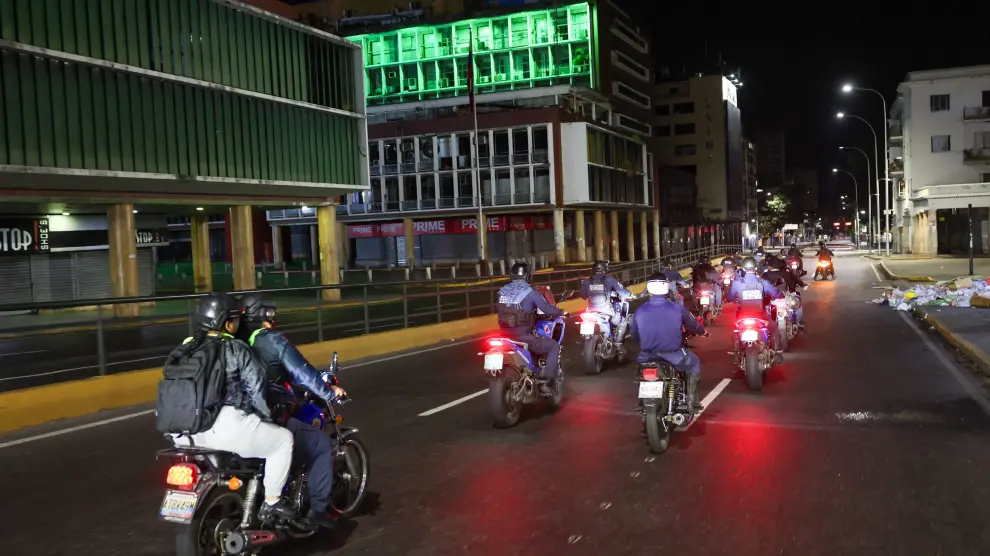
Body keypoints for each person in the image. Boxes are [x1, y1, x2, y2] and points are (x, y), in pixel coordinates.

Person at [164, 293, 297, 521]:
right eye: (235, 320)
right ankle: (272, 502)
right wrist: (267, 417)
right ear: (227, 324)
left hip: (181, 433)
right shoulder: (235, 348)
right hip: (223, 429)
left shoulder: (184, 347)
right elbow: (257, 388)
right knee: (283, 440)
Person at [238, 294, 347, 529]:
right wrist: (328, 392)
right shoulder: (270, 339)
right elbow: (301, 371)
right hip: (265, 416)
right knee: (321, 445)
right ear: (265, 316)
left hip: (230, 418)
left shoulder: (234, 342)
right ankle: (317, 511)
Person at [629, 273, 708, 412]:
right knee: (694, 362)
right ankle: (692, 402)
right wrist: (703, 332)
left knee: (641, 375)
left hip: (647, 356)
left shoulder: (639, 311)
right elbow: (693, 324)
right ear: (666, 287)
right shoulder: (677, 308)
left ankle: (642, 401)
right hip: (674, 355)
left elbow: (634, 334)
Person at [496, 262, 567, 395]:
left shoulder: (502, 292)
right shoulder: (530, 293)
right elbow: (548, 309)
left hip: (504, 336)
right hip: (523, 336)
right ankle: (547, 382)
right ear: (527, 276)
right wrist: (561, 312)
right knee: (553, 346)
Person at [727, 257, 784, 364]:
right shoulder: (763, 283)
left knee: (736, 330)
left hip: (743, 316)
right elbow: (775, 294)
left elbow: (730, 298)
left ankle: (736, 354)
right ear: (755, 268)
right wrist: (780, 294)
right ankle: (777, 354)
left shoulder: (737, 283)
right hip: (760, 316)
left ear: (743, 268)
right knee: (774, 328)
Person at [581, 260, 633, 347]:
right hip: (606, 311)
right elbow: (622, 291)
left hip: (590, 311)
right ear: (604, 270)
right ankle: (618, 344)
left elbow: (584, 296)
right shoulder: (609, 280)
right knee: (622, 320)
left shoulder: (586, 282)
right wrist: (630, 295)